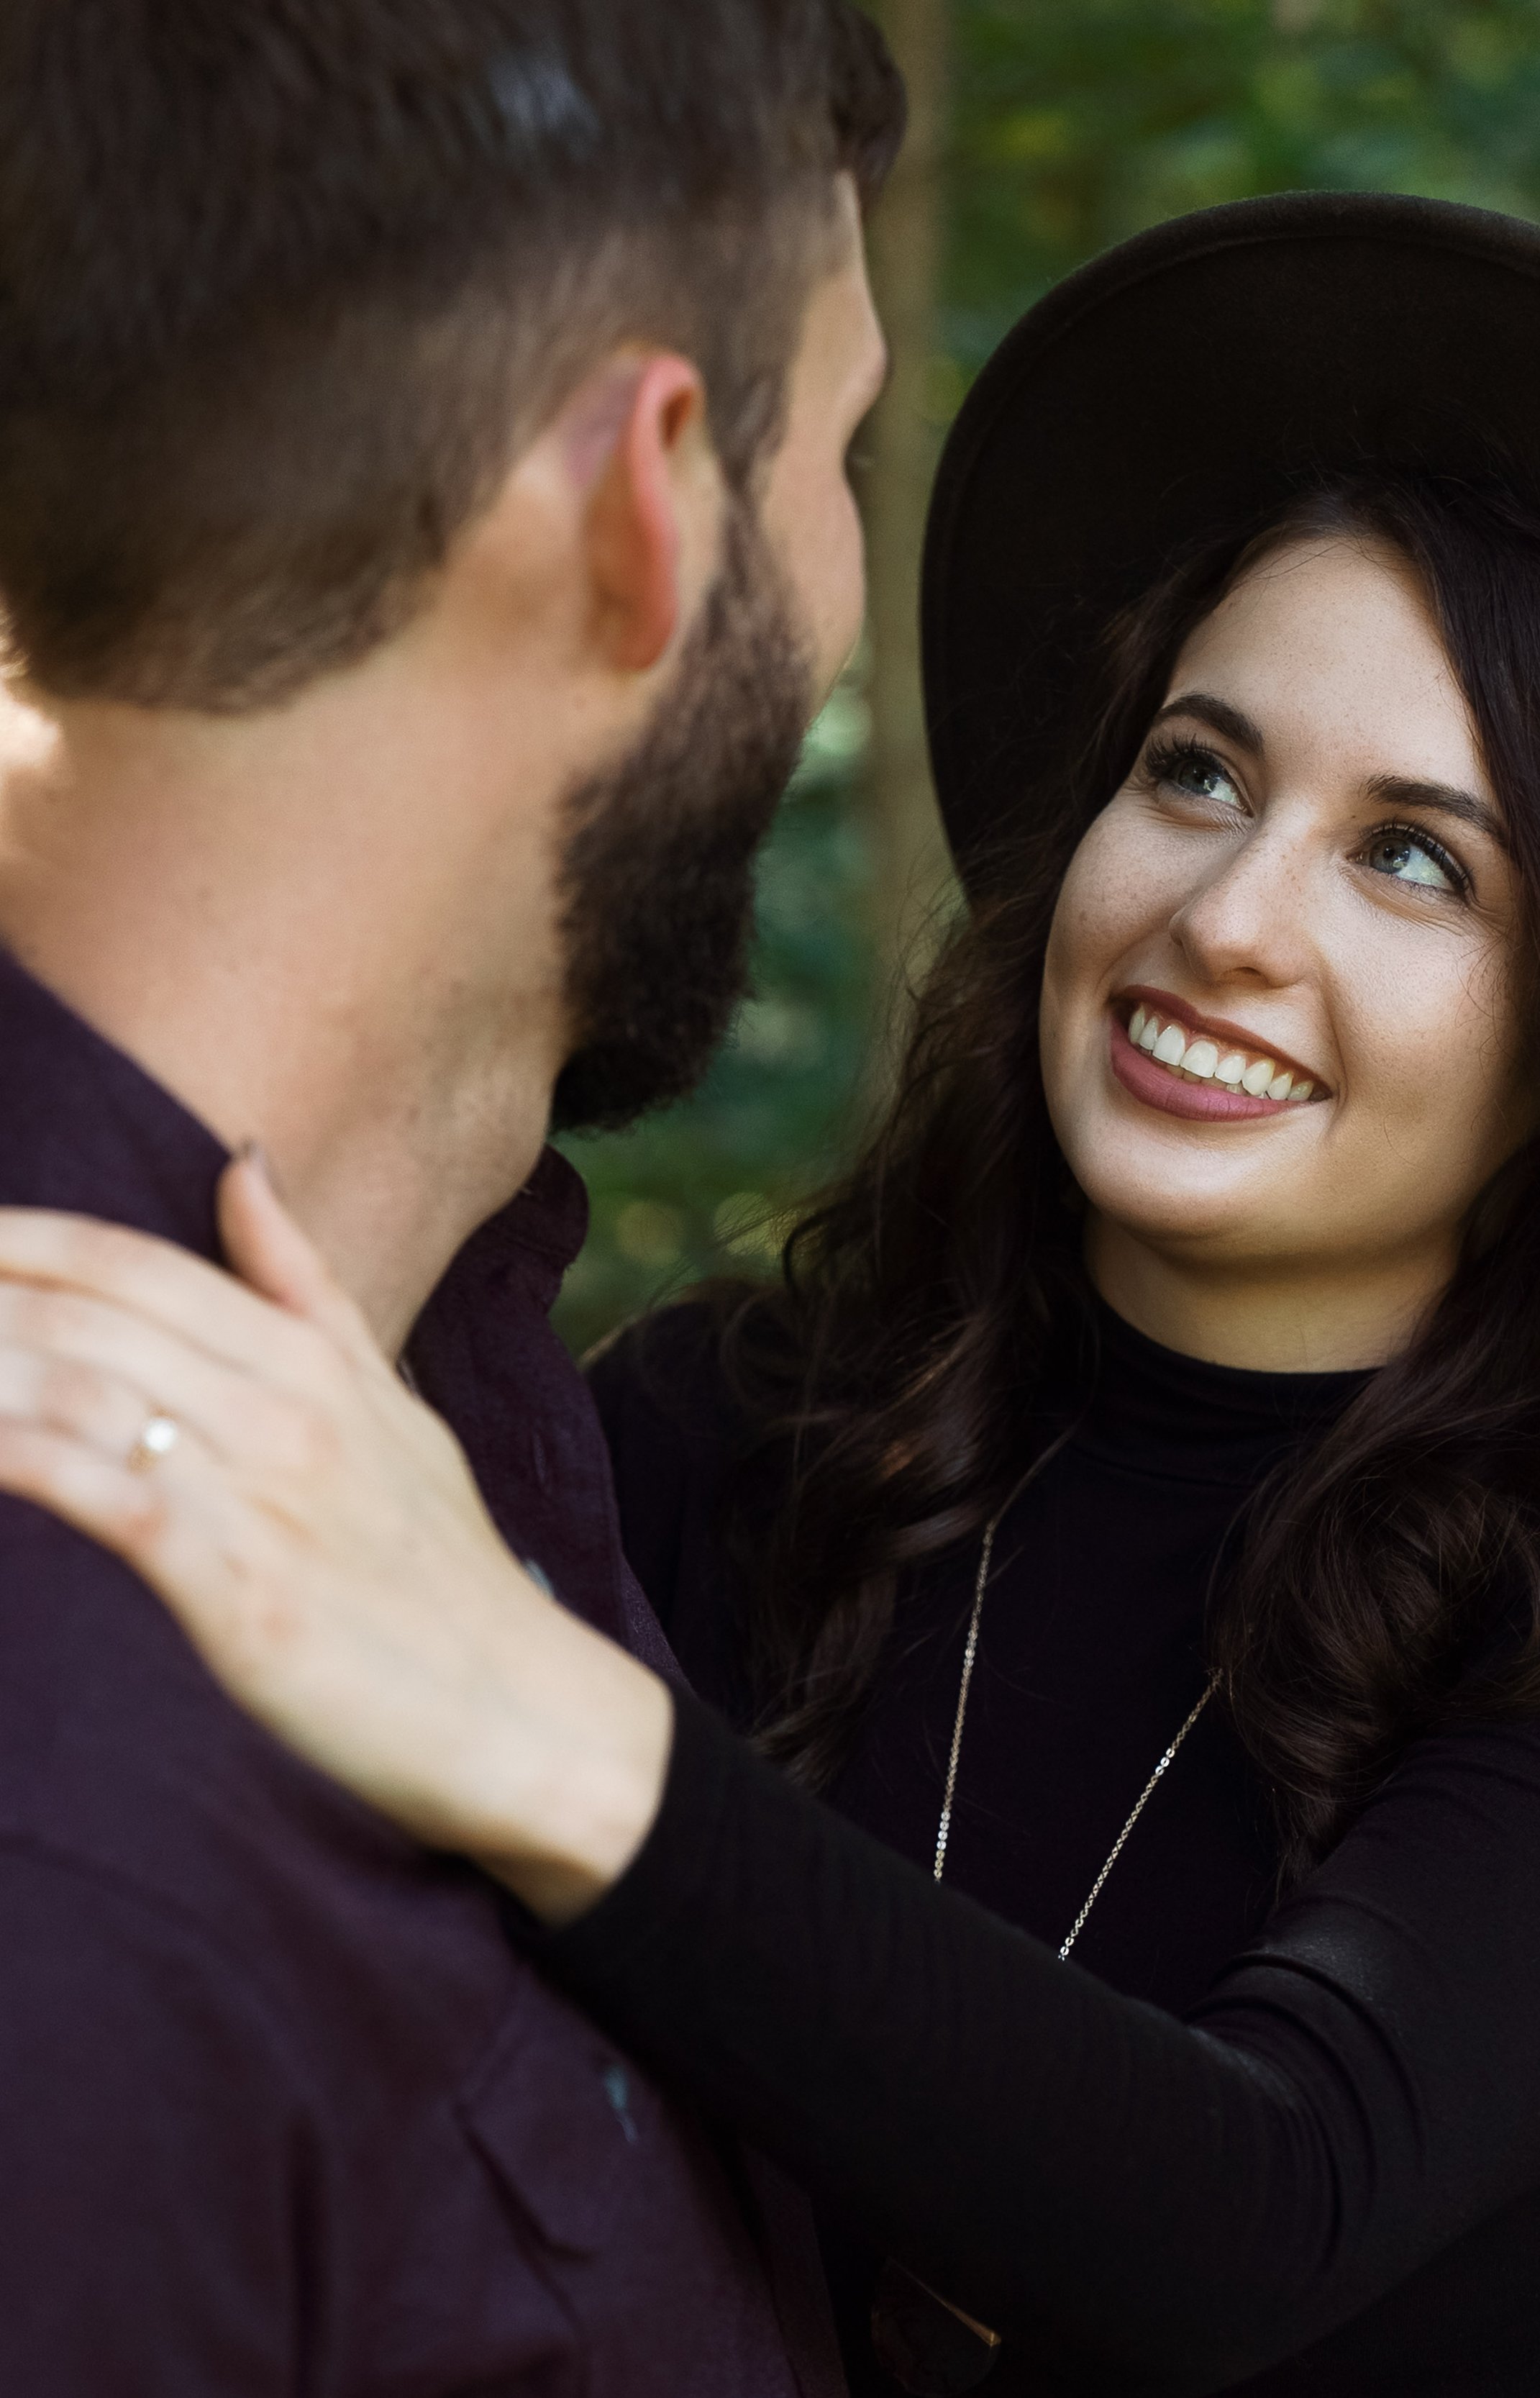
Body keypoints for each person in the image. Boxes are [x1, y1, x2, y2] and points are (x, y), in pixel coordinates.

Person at [2, 194, 1540, 2397]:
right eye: (1196, 771)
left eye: (1412, 858)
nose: (1227, 916)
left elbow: (1253, 2209)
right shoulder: (726, 1430)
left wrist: (529, 1718)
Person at [0, 2, 900, 2390]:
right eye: (852, 445)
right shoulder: (64, 1841)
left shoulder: (493, 1408)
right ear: (649, 499)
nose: (852, 585)